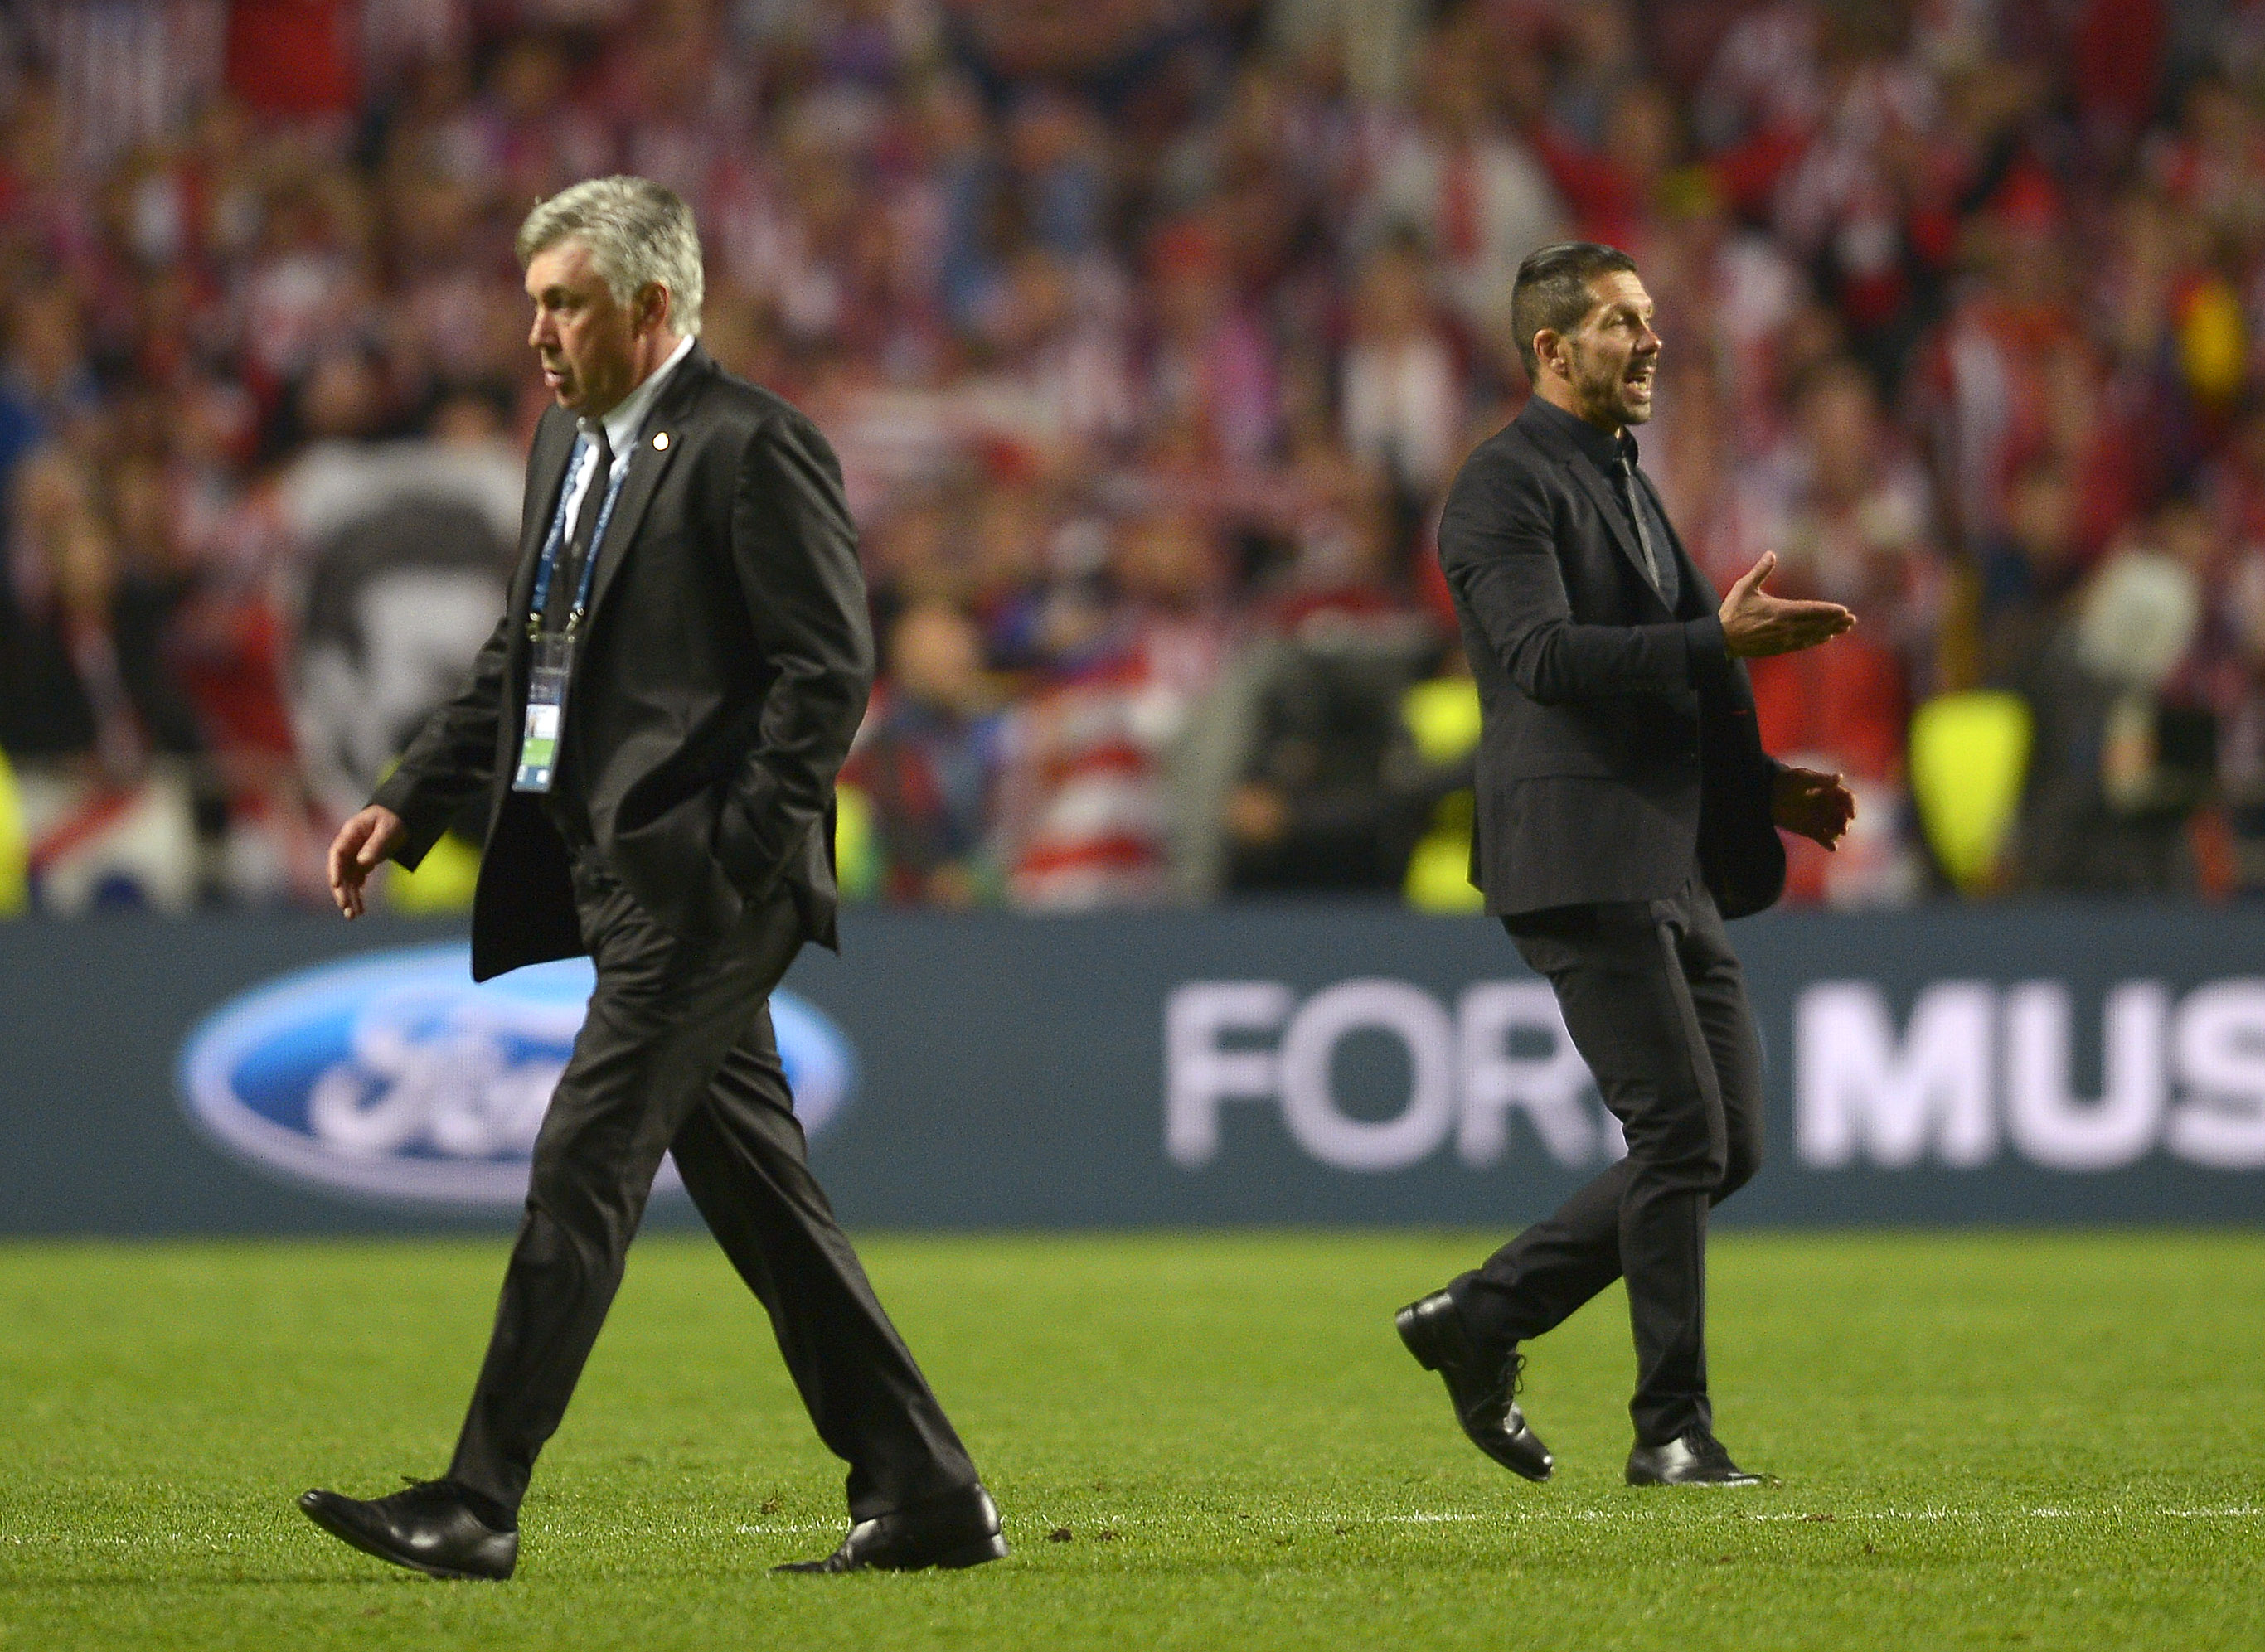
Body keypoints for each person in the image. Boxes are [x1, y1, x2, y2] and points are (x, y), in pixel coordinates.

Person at [302, 177, 1005, 1579]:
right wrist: (407, 795)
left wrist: (736, 852)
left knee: (585, 1155)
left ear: (650, 305)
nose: (537, 334)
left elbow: (829, 672)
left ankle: (479, 1498)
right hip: (608, 874)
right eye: (534, 304)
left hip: (702, 888)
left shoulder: (754, 445)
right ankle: (925, 1489)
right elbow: (523, 653)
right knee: (760, 1200)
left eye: (563, 304)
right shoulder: (565, 443)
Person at [1398, 241, 1857, 1487]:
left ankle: (1483, 1315)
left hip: (1667, 849)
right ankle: (1671, 1428)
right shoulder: (1500, 486)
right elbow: (1544, 660)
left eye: (1651, 318)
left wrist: (1762, 787)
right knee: (1679, 1129)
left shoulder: (1621, 477)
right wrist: (1717, 639)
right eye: (1621, 322)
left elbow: (1661, 664)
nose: (1652, 340)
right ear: (1551, 348)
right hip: (1578, 850)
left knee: (1727, 1143)